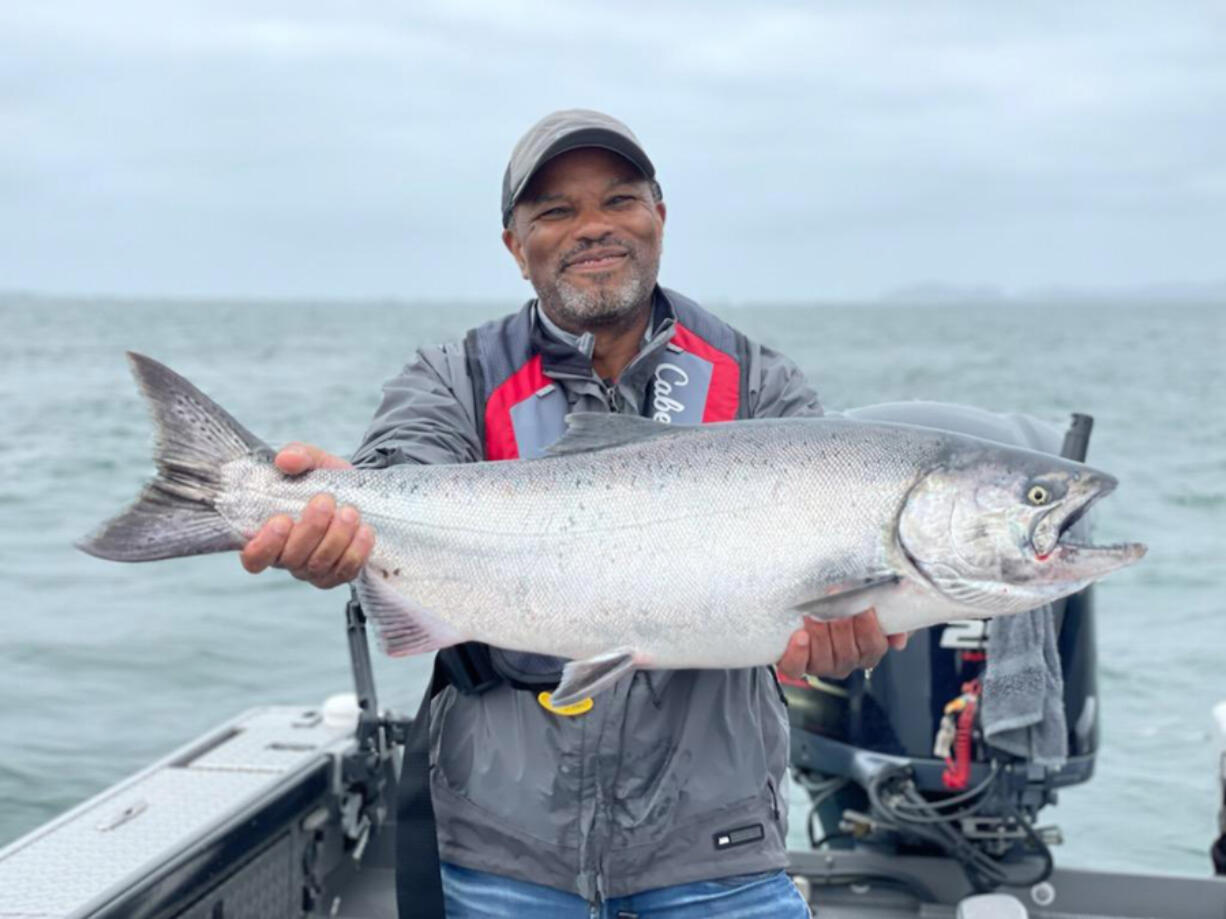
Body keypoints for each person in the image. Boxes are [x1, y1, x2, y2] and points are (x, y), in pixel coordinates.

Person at [239, 109, 906, 917]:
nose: (593, 228)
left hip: (720, 856)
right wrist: (339, 522)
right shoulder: (457, 377)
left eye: (619, 201)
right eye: (555, 211)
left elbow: (817, 619)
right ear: (514, 247)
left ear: (660, 217)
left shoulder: (759, 388)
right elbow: (396, 475)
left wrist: (841, 648)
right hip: (499, 858)